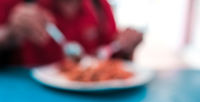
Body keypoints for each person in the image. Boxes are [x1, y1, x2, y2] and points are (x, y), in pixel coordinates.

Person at [0, 0, 143, 66]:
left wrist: (126, 47)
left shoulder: (100, 7)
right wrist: (9, 33)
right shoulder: (14, 3)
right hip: (25, 101)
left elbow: (112, 58)